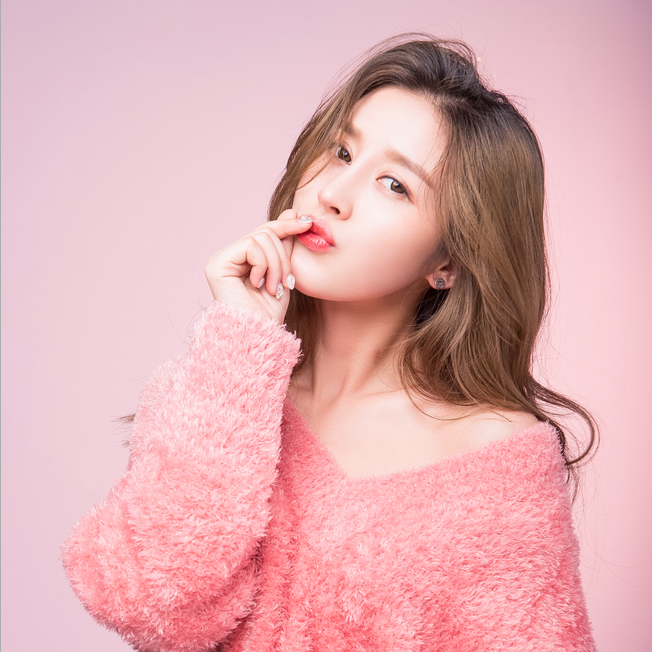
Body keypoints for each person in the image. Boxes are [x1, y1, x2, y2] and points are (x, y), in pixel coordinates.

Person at [62, 35, 597, 651]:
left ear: (447, 262)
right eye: (342, 151)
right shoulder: (224, 386)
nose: (333, 195)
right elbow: (142, 601)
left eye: (394, 184)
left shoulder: (494, 458)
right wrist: (241, 340)